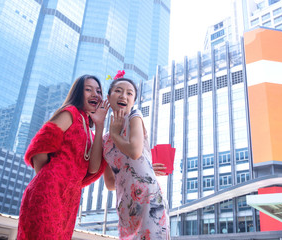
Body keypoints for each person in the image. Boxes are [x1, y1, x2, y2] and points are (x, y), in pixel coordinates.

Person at [17, 74, 110, 240]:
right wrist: (49, 181)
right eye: (88, 90)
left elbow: (94, 168)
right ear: (77, 93)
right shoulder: (70, 113)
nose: (95, 94)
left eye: (98, 90)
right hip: (50, 191)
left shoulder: (90, 132)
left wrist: (100, 125)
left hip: (69, 199)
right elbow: (40, 148)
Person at [102, 71, 170, 239]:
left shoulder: (134, 116)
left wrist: (116, 135)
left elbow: (134, 151)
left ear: (133, 101)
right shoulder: (104, 140)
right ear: (108, 98)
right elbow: (110, 183)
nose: (123, 95)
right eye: (118, 91)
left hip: (149, 199)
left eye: (129, 93)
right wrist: (136, 170)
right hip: (126, 206)